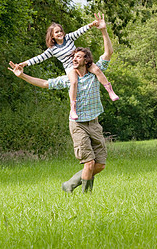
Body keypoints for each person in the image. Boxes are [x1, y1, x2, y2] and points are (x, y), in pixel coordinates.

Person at [9, 14, 113, 193]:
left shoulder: (95, 73)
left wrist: (102, 29)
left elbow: (108, 53)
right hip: (78, 124)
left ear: (86, 60)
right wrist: (22, 74)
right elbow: (44, 83)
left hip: (94, 122)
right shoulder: (68, 78)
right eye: (73, 57)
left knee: (99, 165)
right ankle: (86, 198)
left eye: (78, 57)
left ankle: (69, 184)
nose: (74, 59)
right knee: (89, 163)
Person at [17, 14, 118, 120]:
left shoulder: (69, 38)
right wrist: (25, 63)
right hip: (70, 67)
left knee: (97, 69)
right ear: (52, 36)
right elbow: (39, 58)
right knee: (74, 82)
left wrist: (91, 25)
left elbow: (79, 31)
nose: (60, 33)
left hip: (81, 62)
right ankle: (73, 108)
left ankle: (110, 91)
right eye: (56, 32)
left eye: (61, 31)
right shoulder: (52, 50)